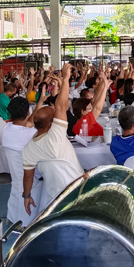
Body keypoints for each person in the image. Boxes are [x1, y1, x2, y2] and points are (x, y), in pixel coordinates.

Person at [22, 64, 84, 216]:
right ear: (51, 125)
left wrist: (27, 196)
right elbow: (61, 106)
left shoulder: (28, 148)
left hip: (53, 196)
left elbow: (28, 176)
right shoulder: (55, 136)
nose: (58, 114)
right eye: (54, 115)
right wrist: (66, 78)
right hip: (78, 189)